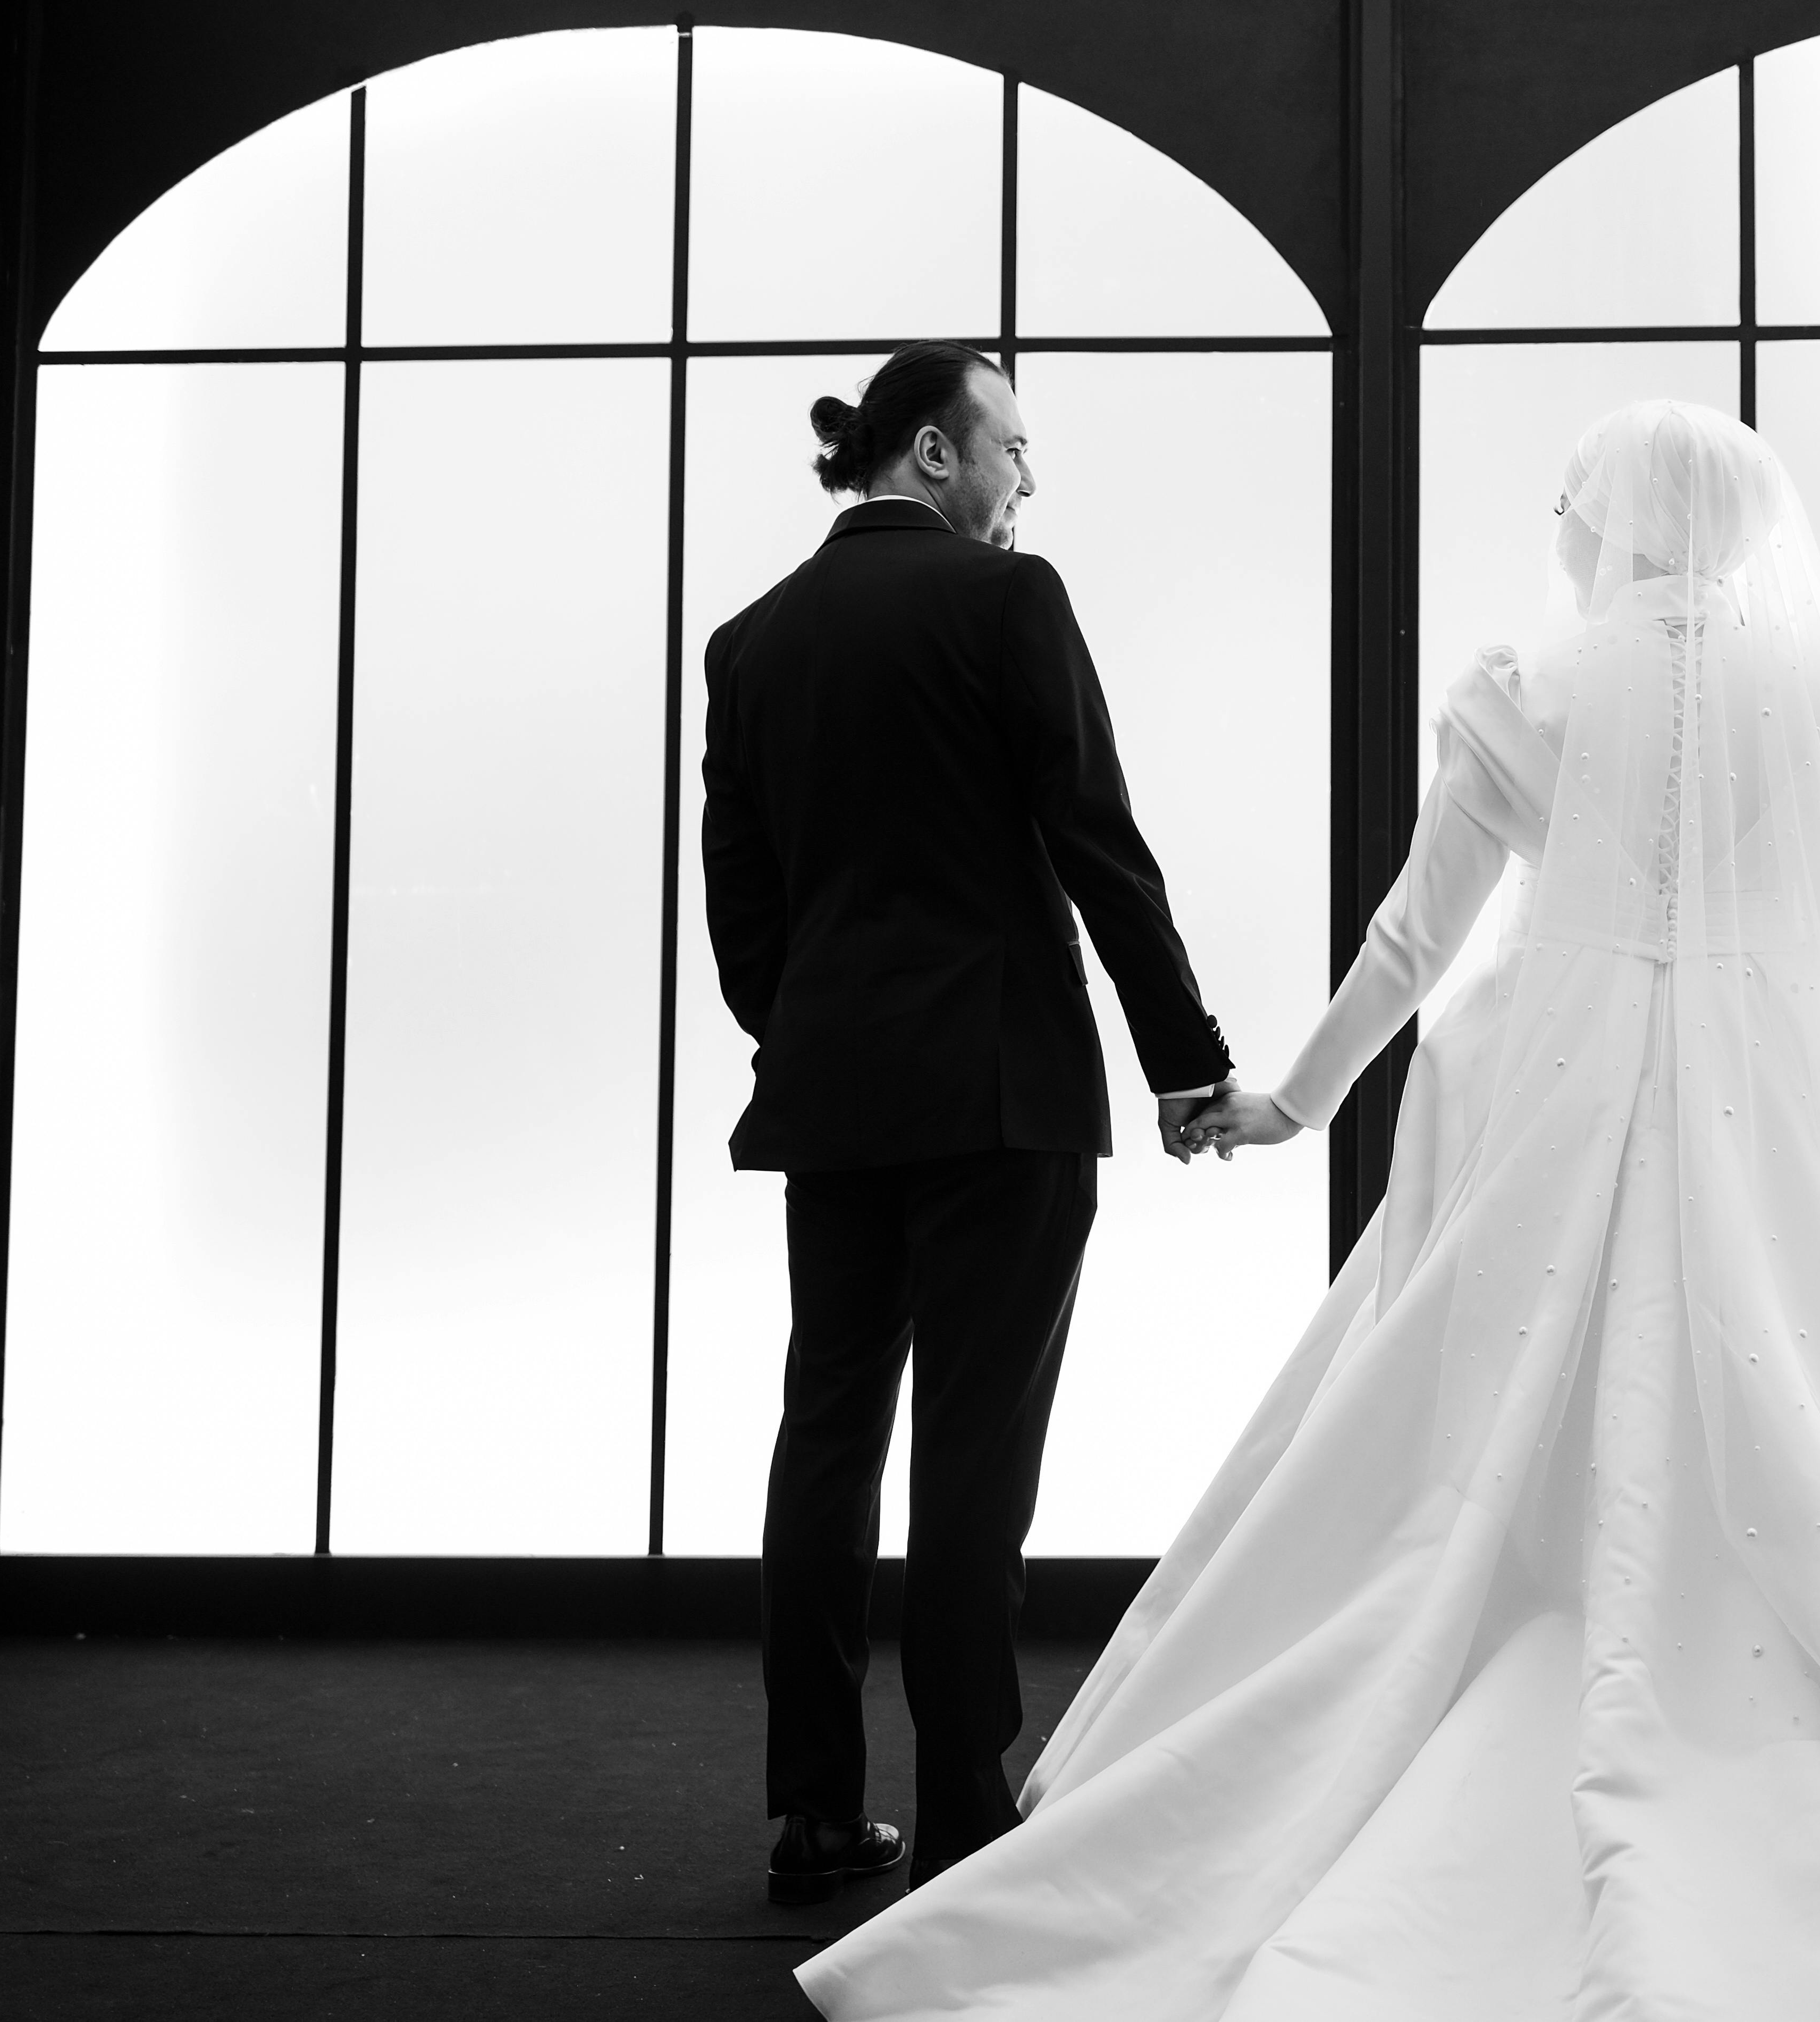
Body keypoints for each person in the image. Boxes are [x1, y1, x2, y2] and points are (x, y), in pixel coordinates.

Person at [791, 401, 1820, 2019]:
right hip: (1780, 1114)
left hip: (1556, 1096)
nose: (1556, 529)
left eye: (1567, 503)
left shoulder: (1525, 691)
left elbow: (1417, 940)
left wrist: (1293, 1099)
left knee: (1491, 1436)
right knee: (1792, 1396)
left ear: (1605, 526)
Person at [701, 340, 1235, 1902]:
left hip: (832, 1095)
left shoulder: (751, 640)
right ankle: (958, 1818)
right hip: (1002, 1093)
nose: (1024, 482)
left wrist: (813, 1031)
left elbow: (742, 912)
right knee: (974, 1459)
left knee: (826, 1431)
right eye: (1011, 448)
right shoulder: (1009, 601)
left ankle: (808, 1807)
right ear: (935, 453)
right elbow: (1096, 843)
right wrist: (1182, 1057)